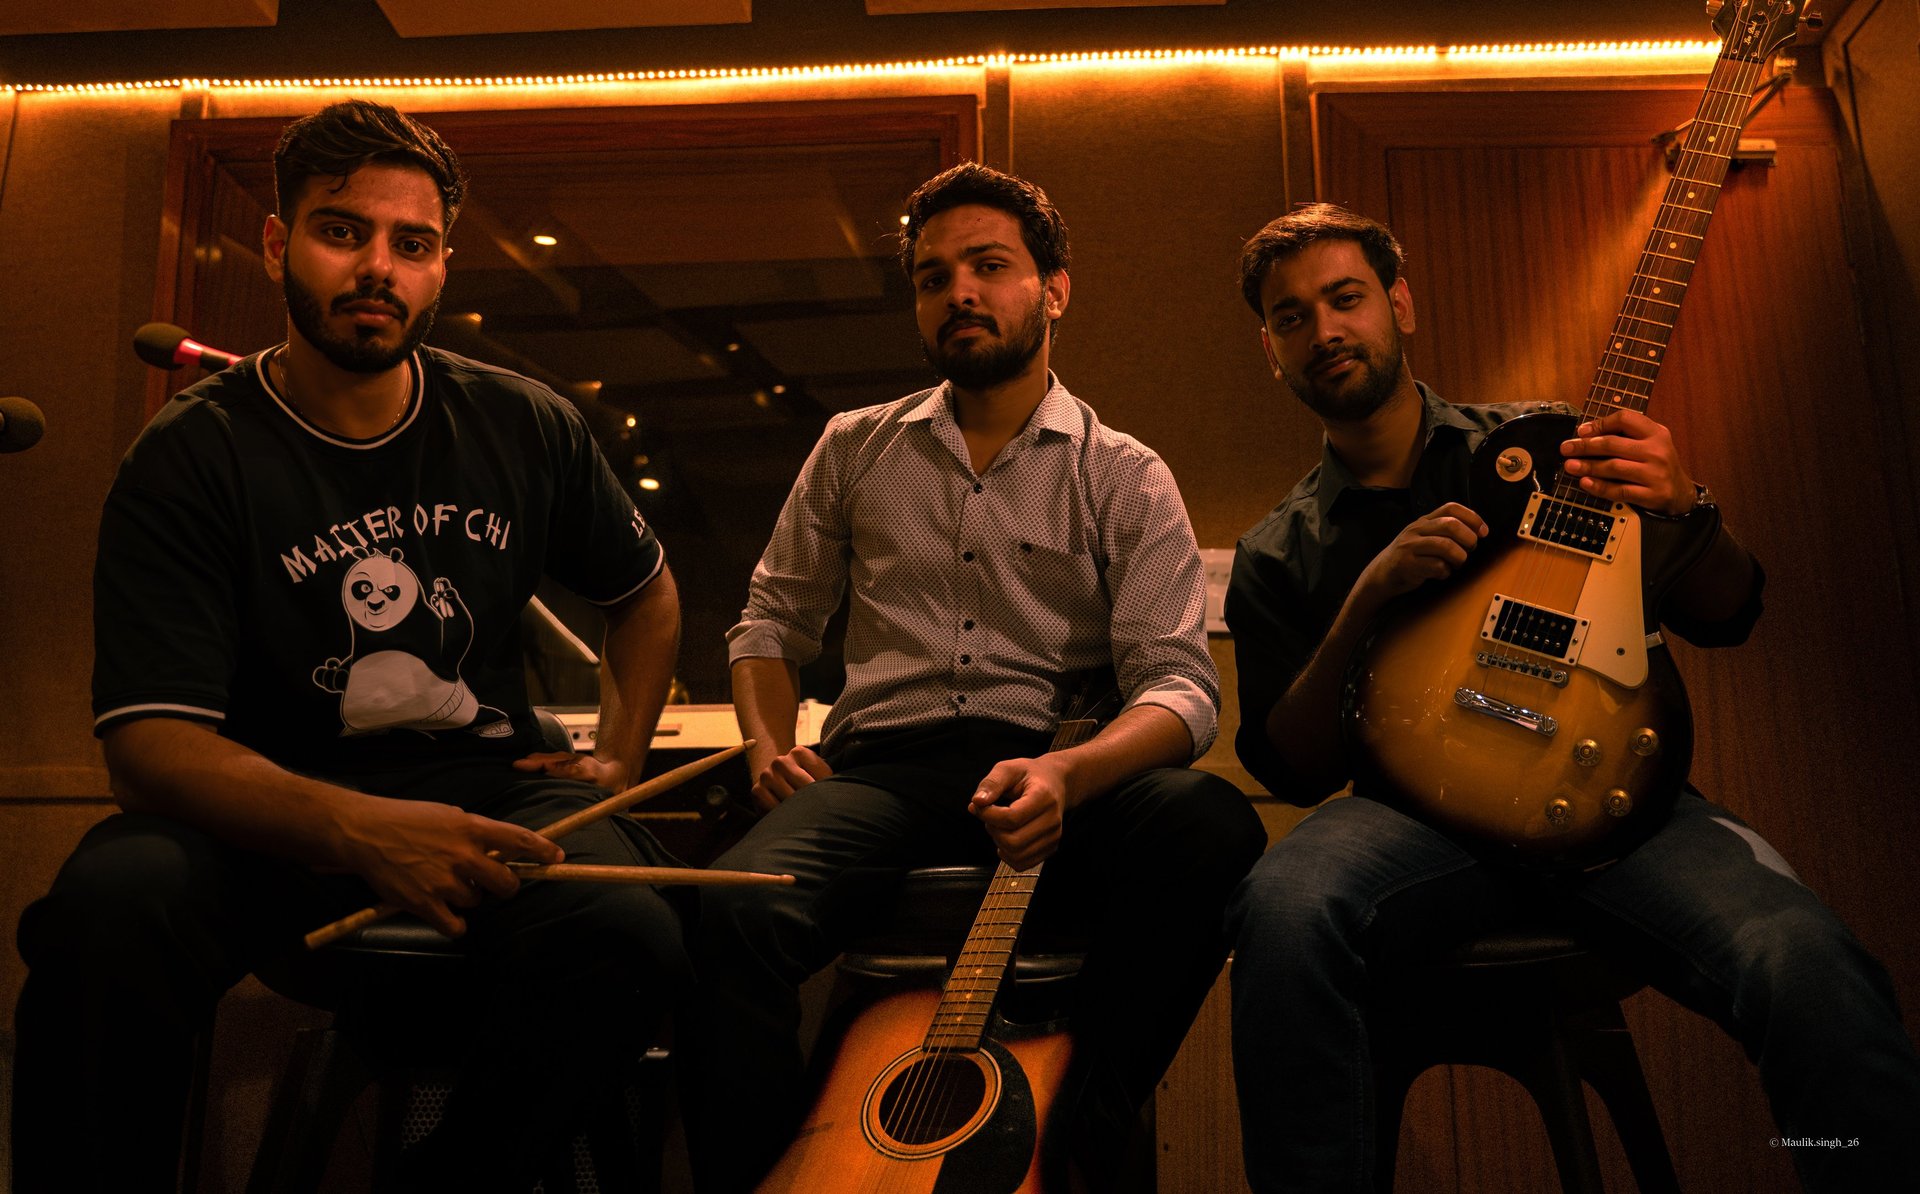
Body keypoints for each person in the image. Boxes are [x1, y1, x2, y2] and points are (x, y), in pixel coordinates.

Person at [11, 100, 689, 1192]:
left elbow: (647, 593)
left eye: (410, 245)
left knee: (633, 934)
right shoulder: (191, 455)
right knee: (105, 915)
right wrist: (360, 830)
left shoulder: (524, 425)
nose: (378, 267)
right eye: (344, 232)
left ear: (441, 269)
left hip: (482, 787)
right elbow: (149, 748)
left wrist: (617, 752)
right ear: (281, 245)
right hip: (260, 815)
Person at [1223, 202, 1920, 1191]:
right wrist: (1367, 600)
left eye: (1346, 298)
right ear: (1271, 349)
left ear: (1400, 304)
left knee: (1804, 959)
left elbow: (1730, 612)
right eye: (1293, 317)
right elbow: (1287, 770)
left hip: (1624, 806)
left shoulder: (1552, 447)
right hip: (1412, 827)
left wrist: (1688, 508)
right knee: (1280, 908)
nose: (1325, 329)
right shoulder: (1277, 550)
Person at [683, 162, 1266, 1191]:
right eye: (932, 276)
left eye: (989, 266)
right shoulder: (853, 448)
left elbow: (1178, 690)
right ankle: (774, 1175)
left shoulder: (1122, 472)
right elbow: (770, 621)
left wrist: (1071, 777)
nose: (958, 292)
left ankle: (1076, 1126)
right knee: (730, 906)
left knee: (1212, 828)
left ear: (1054, 288)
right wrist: (771, 748)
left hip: (1058, 773)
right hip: (884, 772)